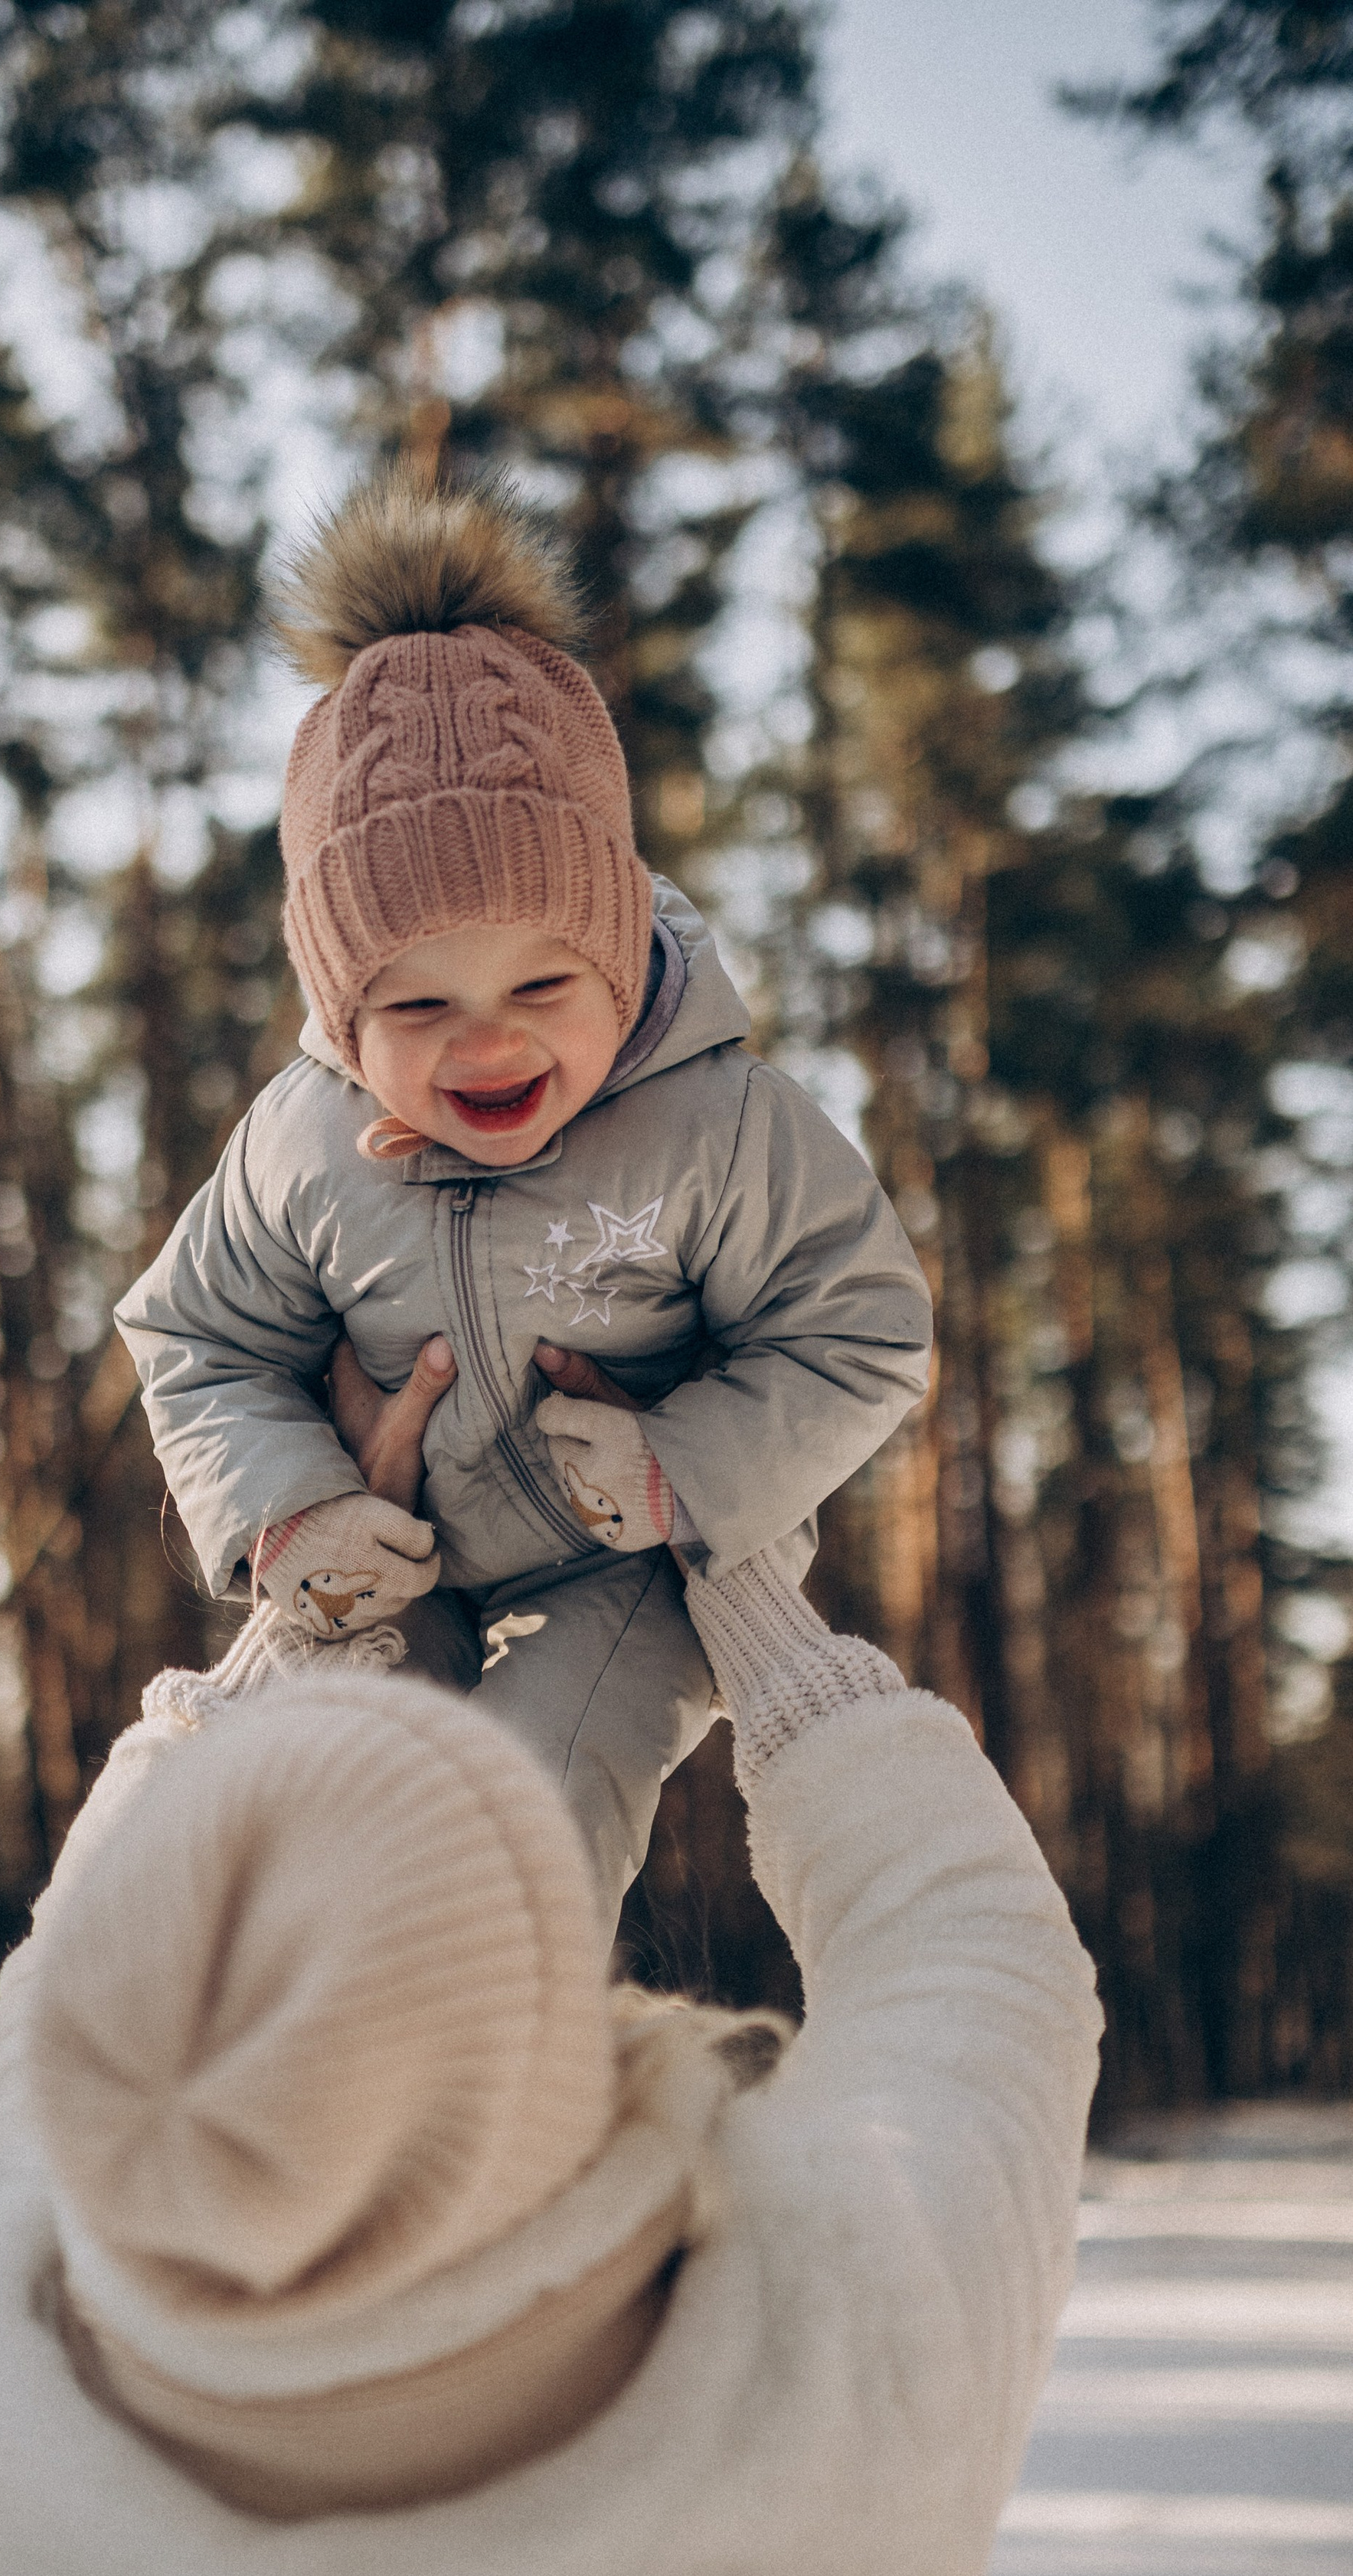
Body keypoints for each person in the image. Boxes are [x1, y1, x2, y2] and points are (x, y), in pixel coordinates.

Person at [0, 1355, 1102, 2576]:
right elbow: (974, 1949)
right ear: (554, 2025)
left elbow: (66, 1988)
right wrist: (726, 1556)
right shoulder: (838, 2340)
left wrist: (317, 1599)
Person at [115, 469, 933, 1938]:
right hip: (392, 1558)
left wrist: (681, 1469)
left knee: (528, 1815)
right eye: (418, 1005)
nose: (487, 1044)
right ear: (341, 1013)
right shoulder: (299, 1142)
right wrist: (291, 1513)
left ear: (618, 958)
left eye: (544, 983)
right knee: (319, 1813)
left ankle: (510, 2036)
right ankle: (338, 2052)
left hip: (625, 1568)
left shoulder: (716, 1124)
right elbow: (197, 1336)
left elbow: (860, 1327)